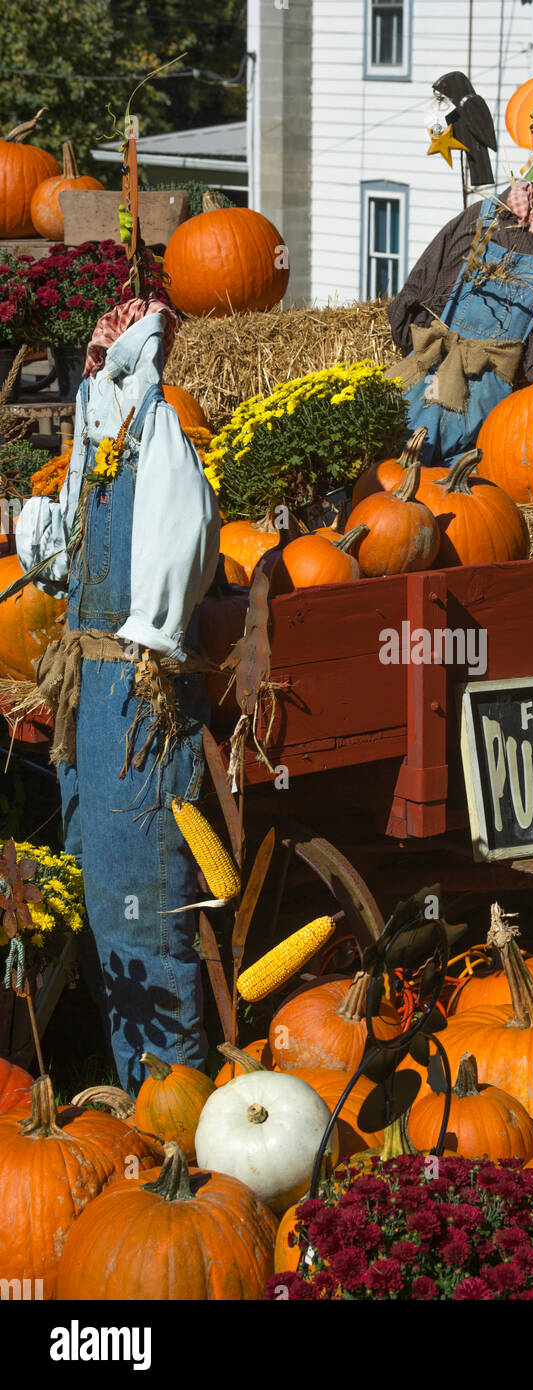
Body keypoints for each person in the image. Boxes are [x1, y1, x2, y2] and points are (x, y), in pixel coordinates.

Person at [14, 298, 220, 1093]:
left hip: (137, 682)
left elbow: (186, 533)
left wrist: (152, 633)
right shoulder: (99, 439)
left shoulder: (156, 434)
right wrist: (44, 539)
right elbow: (72, 543)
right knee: (95, 880)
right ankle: (123, 1067)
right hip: (87, 677)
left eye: (110, 364)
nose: (96, 376)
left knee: (144, 890)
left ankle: (170, 1095)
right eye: (94, 366)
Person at [386, 177, 533, 464]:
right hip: (486, 396)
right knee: (465, 471)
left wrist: (407, 331)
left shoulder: (483, 214)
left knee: (392, 449)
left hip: (428, 365)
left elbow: (419, 288)